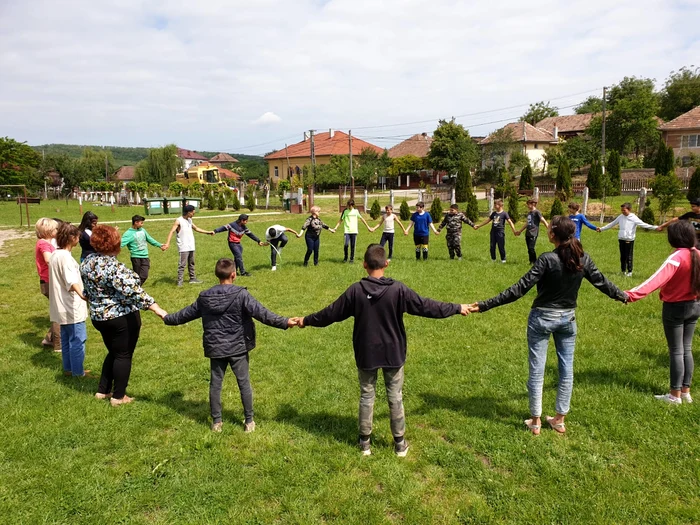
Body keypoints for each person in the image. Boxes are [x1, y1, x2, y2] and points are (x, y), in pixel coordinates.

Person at [294, 244, 469, 456]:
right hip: (393, 353)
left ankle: (365, 444)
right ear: (386, 264)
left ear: (364, 265)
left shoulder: (356, 291)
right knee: (395, 397)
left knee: (367, 396)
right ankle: (399, 444)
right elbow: (427, 306)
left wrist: (306, 320)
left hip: (366, 353)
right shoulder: (397, 289)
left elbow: (329, 314)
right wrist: (457, 308)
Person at [468, 217, 628, 435]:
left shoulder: (547, 259)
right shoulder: (583, 259)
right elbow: (602, 282)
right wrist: (623, 295)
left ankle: (536, 422)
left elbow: (519, 288)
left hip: (541, 319)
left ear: (553, 235)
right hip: (567, 320)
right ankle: (559, 419)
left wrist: (485, 305)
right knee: (566, 369)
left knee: (537, 369)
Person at [164, 258, 296, 432]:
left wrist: (167, 318)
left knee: (215, 384)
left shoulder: (205, 297)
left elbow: (184, 314)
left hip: (216, 347)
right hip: (238, 347)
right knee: (244, 383)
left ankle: (216, 423)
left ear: (217, 275)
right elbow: (262, 313)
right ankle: (249, 421)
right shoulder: (241, 294)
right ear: (234, 274)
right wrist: (285, 322)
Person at [81, 225, 168, 406]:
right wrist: (158, 309)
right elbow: (135, 292)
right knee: (123, 355)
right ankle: (119, 397)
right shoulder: (114, 267)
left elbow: (88, 289)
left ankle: (102, 391)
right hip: (119, 318)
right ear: (115, 243)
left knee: (114, 352)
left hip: (98, 316)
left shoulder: (87, 260)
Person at [625, 221, 700, 405]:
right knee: (687, 348)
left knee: (676, 350)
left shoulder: (677, 257)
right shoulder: (698, 254)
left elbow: (656, 280)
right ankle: (685, 392)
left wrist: (630, 295)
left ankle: (674, 395)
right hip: (695, 306)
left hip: (675, 308)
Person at [49, 223, 89, 377]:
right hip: (71, 305)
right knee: (78, 340)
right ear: (72, 238)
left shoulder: (55, 254)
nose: (79, 239)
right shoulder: (65, 258)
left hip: (60, 305)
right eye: (77, 236)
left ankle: (68, 369)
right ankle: (78, 373)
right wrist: (83, 295)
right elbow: (71, 282)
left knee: (66, 339)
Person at [597, 202, 656, 276]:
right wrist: (602, 229)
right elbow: (612, 224)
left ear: (629, 209)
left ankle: (630, 271)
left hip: (629, 239)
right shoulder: (620, 217)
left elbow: (643, 224)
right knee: (622, 256)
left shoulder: (633, 218)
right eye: (622, 210)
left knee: (629, 256)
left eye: (624, 210)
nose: (622, 212)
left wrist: (656, 228)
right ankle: (623, 271)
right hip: (621, 239)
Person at [165, 205, 213, 286]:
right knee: (182, 265)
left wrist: (208, 232)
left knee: (192, 263)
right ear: (188, 212)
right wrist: (167, 243)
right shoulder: (178, 221)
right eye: (193, 213)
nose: (194, 214)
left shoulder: (190, 220)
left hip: (191, 245)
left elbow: (196, 229)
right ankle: (180, 282)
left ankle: (192, 278)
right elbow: (171, 232)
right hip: (183, 247)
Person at [35, 217, 61, 352]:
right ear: (49, 231)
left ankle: (48, 339)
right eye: (56, 228)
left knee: (60, 310)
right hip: (49, 282)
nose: (58, 230)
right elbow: (48, 260)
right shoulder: (44, 244)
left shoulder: (45, 243)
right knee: (59, 314)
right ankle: (58, 344)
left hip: (49, 281)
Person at [120, 215, 168, 284]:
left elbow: (149, 239)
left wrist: (159, 245)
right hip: (136, 257)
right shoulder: (128, 233)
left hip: (145, 256)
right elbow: (121, 244)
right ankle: (134, 289)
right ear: (136, 222)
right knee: (137, 276)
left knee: (144, 276)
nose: (143, 224)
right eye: (141, 223)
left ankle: (135, 288)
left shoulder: (143, 230)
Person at [474, 199, 516, 263]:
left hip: (500, 232)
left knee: (501, 246)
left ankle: (503, 259)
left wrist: (514, 230)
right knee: (492, 246)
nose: (494, 206)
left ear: (500, 205)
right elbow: (487, 221)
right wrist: (479, 226)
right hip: (493, 232)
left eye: (495, 204)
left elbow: (510, 222)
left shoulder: (504, 213)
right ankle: (493, 259)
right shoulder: (494, 213)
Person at [515, 199, 549, 265]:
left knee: (531, 248)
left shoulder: (537, 212)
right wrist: (520, 231)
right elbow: (527, 223)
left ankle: (535, 262)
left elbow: (543, 220)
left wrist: (549, 229)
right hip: (528, 232)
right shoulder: (529, 213)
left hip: (533, 232)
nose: (528, 206)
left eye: (529, 204)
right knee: (529, 249)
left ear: (533, 204)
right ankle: (531, 262)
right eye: (527, 204)